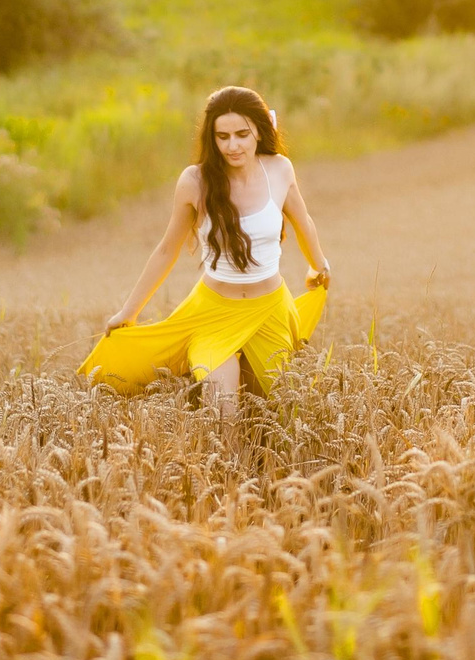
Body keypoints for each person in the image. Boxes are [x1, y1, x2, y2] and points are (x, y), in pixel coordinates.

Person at [78, 85, 333, 415]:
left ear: (260, 130)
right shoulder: (195, 181)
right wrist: (128, 311)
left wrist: (319, 264)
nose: (232, 145)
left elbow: (303, 221)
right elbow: (166, 250)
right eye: (222, 136)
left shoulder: (280, 169)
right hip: (212, 315)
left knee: (281, 414)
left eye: (241, 134)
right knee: (224, 415)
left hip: (270, 309)